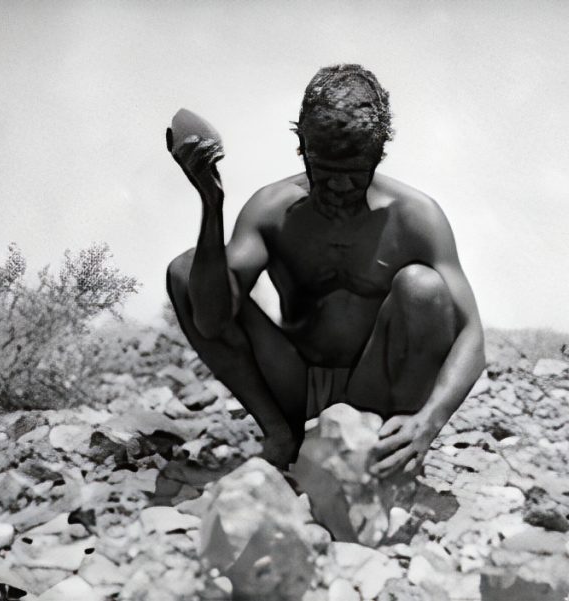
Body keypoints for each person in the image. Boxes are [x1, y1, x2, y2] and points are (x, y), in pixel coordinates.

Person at [166, 64, 485, 477]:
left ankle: (389, 448)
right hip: (294, 388)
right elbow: (210, 319)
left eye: (354, 175)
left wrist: (431, 421)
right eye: (327, 173)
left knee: (423, 287)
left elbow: (472, 337)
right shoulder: (272, 210)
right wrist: (212, 205)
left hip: (377, 393)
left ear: (379, 153)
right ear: (302, 146)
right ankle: (282, 437)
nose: (339, 189)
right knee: (185, 271)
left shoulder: (414, 217)